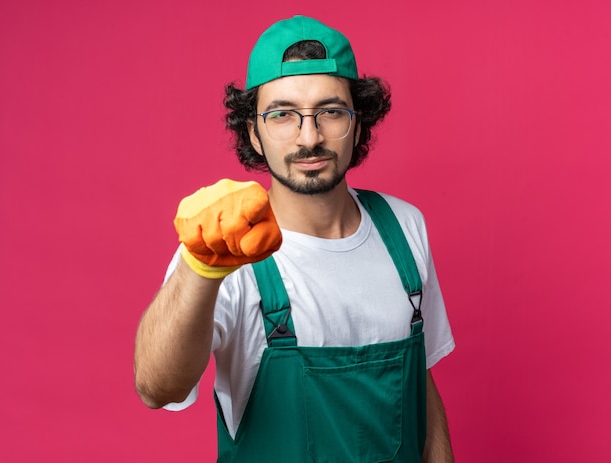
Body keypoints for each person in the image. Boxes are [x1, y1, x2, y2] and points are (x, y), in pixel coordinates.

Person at [134, 15, 455, 462]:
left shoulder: (404, 227)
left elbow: (420, 387)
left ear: (358, 124)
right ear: (254, 133)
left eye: (330, 112)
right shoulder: (225, 248)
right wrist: (200, 267)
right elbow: (156, 387)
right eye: (283, 114)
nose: (310, 137)